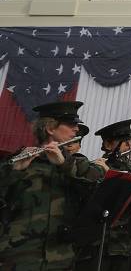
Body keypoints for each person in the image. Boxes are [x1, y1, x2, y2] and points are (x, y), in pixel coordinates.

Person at [0, 101, 90, 270]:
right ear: (50, 128)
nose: (76, 129)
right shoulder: (16, 162)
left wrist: (64, 165)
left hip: (61, 259)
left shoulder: (78, 166)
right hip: (18, 258)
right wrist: (14, 172)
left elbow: (95, 196)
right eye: (71, 124)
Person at [74, 119, 131, 271]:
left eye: (130, 141)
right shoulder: (97, 166)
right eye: (125, 142)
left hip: (123, 245)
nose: (130, 146)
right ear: (109, 145)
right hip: (97, 246)